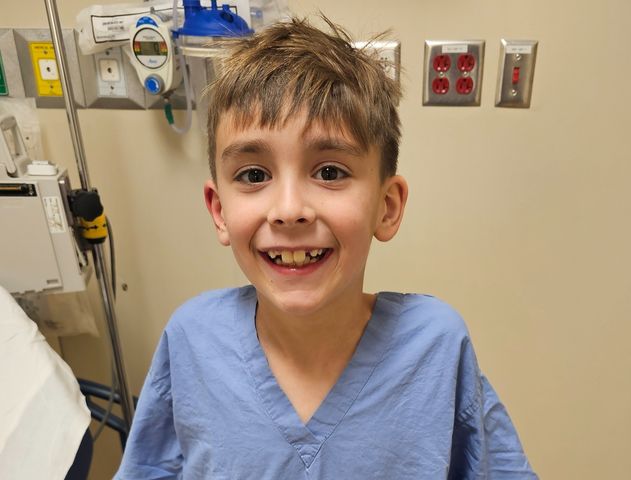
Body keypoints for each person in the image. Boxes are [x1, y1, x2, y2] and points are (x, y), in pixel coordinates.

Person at [116, 15, 537, 479]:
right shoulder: (192, 341)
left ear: (387, 207)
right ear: (219, 211)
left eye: (330, 172)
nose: (289, 210)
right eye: (254, 175)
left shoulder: (436, 349)